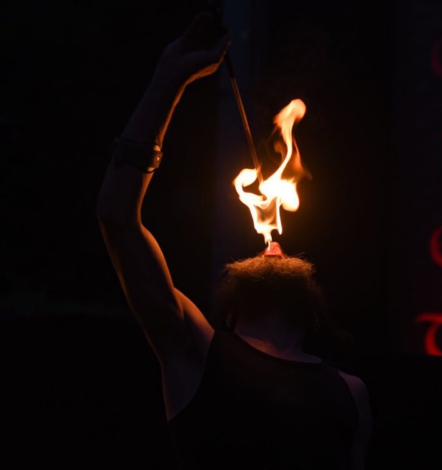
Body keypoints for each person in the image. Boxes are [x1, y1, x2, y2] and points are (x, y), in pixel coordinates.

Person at [96, 12, 371, 470]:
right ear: (229, 312)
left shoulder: (351, 392)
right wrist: (170, 79)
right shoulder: (198, 351)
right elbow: (117, 217)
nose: (271, 244)